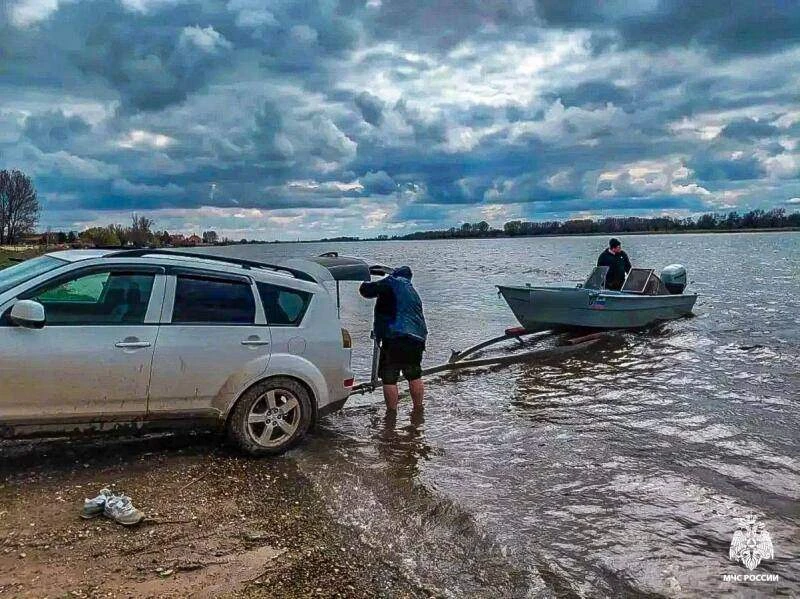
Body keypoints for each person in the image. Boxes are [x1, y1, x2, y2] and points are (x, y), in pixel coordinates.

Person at [359, 266, 427, 413]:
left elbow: (365, 291)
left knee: (389, 377)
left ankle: (391, 413)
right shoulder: (411, 291)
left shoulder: (392, 282)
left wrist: (367, 275)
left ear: (395, 275)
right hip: (417, 339)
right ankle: (418, 409)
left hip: (396, 337)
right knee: (414, 374)